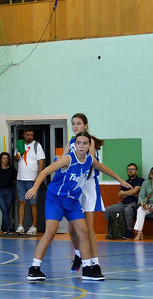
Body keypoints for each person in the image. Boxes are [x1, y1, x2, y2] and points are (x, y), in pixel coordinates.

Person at [25, 132, 130, 282]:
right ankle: (34, 268)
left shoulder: (89, 159)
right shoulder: (68, 159)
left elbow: (103, 168)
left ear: (89, 146)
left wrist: (120, 180)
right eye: (78, 143)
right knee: (50, 233)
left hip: (73, 201)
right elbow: (46, 171)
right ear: (75, 145)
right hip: (56, 199)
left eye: (84, 143)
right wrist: (35, 187)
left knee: (84, 232)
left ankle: (87, 269)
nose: (81, 146)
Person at [66, 114, 106, 276]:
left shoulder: (90, 143)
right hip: (75, 187)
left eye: (78, 123)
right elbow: (63, 161)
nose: (75, 126)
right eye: (73, 123)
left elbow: (90, 165)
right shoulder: (71, 142)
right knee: (72, 228)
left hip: (88, 186)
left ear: (86, 125)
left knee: (88, 229)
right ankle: (78, 255)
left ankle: (95, 264)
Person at [14, 128, 45, 235]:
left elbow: (41, 162)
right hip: (20, 179)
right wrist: (16, 157)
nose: (30, 137)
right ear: (24, 135)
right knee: (21, 202)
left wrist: (38, 177)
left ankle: (34, 226)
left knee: (33, 204)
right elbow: (16, 159)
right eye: (28, 134)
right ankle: (20, 226)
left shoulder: (37, 145)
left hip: (32, 180)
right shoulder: (19, 145)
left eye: (31, 135)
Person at [103, 163, 143, 239]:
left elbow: (134, 191)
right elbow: (119, 195)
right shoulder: (125, 182)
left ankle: (129, 232)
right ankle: (113, 231)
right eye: (129, 169)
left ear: (136, 171)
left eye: (132, 169)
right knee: (107, 210)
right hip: (122, 204)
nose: (130, 171)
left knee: (127, 210)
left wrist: (125, 193)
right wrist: (130, 193)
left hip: (133, 204)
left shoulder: (140, 180)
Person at [0, 151, 17, 234]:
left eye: (7, 158)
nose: (5, 160)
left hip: (9, 190)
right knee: (5, 210)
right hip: (0, 192)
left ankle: (3, 228)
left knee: (6, 210)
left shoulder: (12, 169)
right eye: (4, 158)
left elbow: (14, 180)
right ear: (0, 160)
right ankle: (9, 228)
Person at [133, 167, 153, 240]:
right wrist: (142, 203)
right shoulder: (145, 183)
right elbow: (141, 195)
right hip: (148, 204)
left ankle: (138, 231)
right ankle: (139, 233)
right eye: (152, 173)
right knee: (140, 210)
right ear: (150, 175)